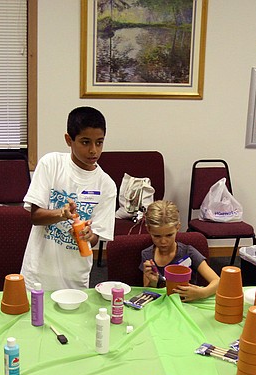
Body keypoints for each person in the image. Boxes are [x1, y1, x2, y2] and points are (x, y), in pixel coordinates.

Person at [20, 106, 117, 291]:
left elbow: (97, 237)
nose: (93, 150)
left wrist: (89, 235)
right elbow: (35, 216)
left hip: (75, 276)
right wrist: (61, 213)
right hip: (38, 272)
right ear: (68, 140)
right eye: (85, 142)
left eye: (99, 142)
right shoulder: (51, 164)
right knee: (35, 318)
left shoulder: (106, 185)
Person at [139, 200, 220, 301]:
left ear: (178, 227)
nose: (163, 241)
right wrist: (153, 282)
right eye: (157, 236)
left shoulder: (189, 253)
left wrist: (202, 293)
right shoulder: (147, 255)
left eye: (169, 235)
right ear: (149, 230)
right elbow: (149, 292)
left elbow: (218, 281)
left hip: (188, 304)